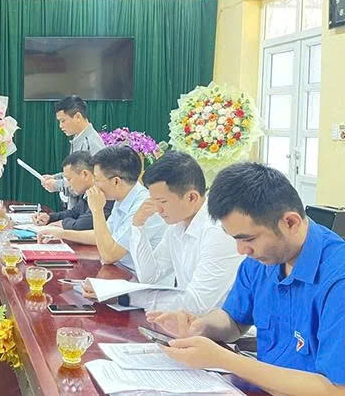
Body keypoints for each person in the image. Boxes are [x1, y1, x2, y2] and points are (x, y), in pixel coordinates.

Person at [148, 163, 345, 395]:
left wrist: (225, 360)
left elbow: (336, 389)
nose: (241, 250)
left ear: (290, 222)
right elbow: (234, 321)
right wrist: (200, 326)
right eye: (235, 239)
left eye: (248, 239)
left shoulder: (337, 281)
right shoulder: (262, 260)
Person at [83, 151, 243, 314]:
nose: (158, 210)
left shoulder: (217, 231)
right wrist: (138, 227)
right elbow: (150, 277)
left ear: (191, 197)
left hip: (219, 326)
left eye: (163, 202)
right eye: (154, 201)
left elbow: (197, 303)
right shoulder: (177, 225)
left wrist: (123, 296)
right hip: (186, 320)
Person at [39, 146, 166, 273]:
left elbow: (109, 255)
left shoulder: (143, 206)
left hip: (139, 280)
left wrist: (97, 210)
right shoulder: (122, 198)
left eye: (97, 179)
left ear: (116, 182)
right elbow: (102, 236)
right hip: (122, 272)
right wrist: (61, 233)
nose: (94, 184)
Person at [40, 96, 105, 209]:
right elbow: (75, 172)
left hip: (87, 210)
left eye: (63, 121)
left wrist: (57, 185)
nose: (60, 126)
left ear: (78, 117)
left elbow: (91, 181)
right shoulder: (78, 138)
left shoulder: (91, 143)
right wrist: (55, 177)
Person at [33, 151, 113, 230]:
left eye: (69, 179)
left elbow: (81, 225)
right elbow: (74, 213)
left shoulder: (105, 194)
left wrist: (63, 223)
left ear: (85, 174)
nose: (68, 184)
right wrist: (49, 217)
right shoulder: (89, 193)